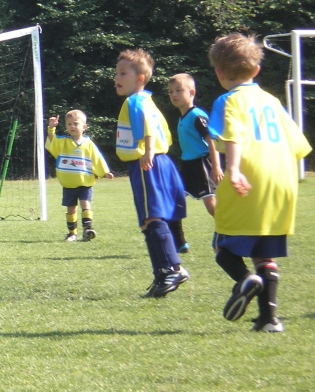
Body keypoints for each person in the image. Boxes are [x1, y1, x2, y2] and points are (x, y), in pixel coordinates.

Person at [207, 34, 311, 332]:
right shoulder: (272, 102)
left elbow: (232, 135)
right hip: (282, 182)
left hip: (247, 177)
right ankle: (269, 320)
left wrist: (233, 168)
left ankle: (245, 280)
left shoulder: (228, 100)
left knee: (223, 246)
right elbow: (299, 146)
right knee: (264, 253)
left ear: (219, 72)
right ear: (256, 69)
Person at [114, 49, 188, 298]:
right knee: (148, 221)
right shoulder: (146, 99)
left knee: (152, 218)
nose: (117, 77)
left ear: (140, 78)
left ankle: (173, 269)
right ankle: (162, 273)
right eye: (116, 73)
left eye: (123, 73)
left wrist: (147, 151)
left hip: (148, 162)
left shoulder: (135, 101)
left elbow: (147, 126)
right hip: (158, 161)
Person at [167, 73, 223, 253]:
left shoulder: (197, 115)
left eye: (178, 90)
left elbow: (211, 140)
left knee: (211, 206)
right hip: (187, 166)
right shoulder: (181, 118)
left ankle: (230, 233)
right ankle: (180, 243)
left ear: (191, 92)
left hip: (202, 165)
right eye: (170, 92)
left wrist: (216, 166)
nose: (174, 95)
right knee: (173, 201)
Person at [45, 110, 114, 241]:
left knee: (85, 203)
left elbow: (97, 158)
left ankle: (88, 229)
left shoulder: (88, 144)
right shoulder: (63, 142)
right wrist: (51, 128)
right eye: (69, 124)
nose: (72, 126)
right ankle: (72, 233)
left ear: (84, 126)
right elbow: (51, 143)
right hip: (69, 184)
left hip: (85, 182)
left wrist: (105, 171)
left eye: (76, 123)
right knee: (71, 209)